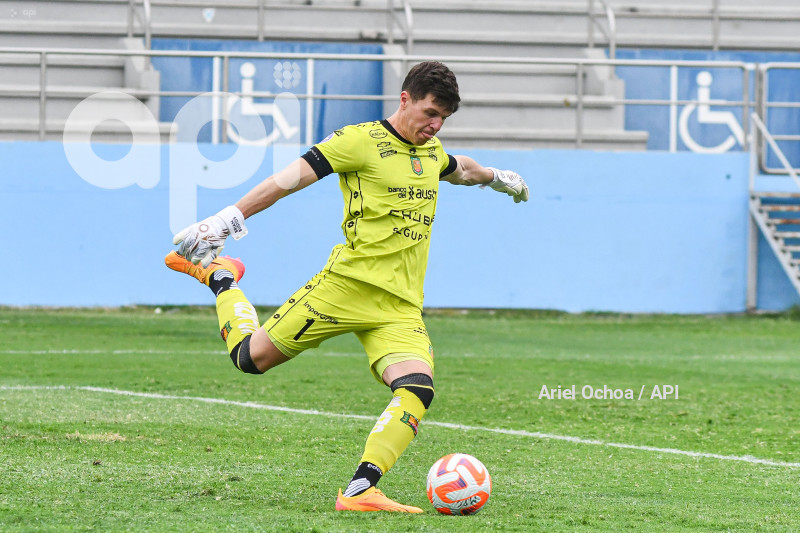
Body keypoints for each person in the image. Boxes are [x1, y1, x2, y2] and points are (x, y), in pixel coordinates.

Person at [165, 61, 528, 513]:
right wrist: (228, 218)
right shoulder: (359, 140)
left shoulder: (431, 151)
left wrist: (497, 178)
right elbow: (288, 179)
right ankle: (221, 277)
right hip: (345, 288)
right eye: (430, 113)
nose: (435, 126)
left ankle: (361, 490)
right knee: (249, 360)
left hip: (399, 306)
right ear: (405, 99)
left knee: (418, 387)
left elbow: (463, 169)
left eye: (444, 119)